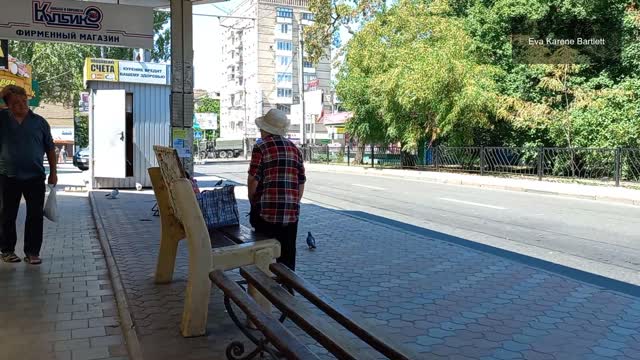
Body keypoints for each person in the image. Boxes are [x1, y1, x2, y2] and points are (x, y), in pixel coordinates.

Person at [0, 85, 57, 265]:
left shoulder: (39, 122)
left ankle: (32, 252)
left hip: (35, 176)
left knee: (35, 215)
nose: (21, 105)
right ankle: (7, 250)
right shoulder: (1, 120)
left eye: (24, 101)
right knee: (7, 214)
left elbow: (50, 148)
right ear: (7, 104)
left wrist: (53, 173)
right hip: (7, 175)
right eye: (15, 102)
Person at [248, 109, 305, 270]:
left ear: (266, 129)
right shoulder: (295, 149)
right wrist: (293, 203)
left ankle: (264, 287)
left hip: (267, 214)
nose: (260, 131)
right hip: (291, 215)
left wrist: (253, 202)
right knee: (287, 254)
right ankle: (287, 288)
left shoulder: (261, 147)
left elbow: (253, 180)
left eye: (261, 128)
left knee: (265, 255)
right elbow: (301, 182)